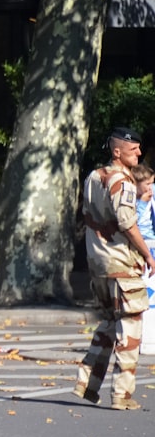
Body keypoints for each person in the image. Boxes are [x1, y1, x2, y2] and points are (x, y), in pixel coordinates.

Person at [73, 127, 155, 411]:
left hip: (98, 264)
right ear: (117, 151)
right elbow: (127, 223)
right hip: (122, 264)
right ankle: (122, 394)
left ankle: (86, 382)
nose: (140, 154)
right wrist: (148, 255)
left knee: (108, 324)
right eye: (134, 150)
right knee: (130, 331)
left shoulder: (93, 177)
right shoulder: (124, 181)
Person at [131, 162, 155, 256]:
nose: (150, 187)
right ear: (136, 184)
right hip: (139, 239)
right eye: (147, 184)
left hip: (151, 236)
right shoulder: (131, 198)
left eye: (152, 183)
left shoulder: (152, 191)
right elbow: (134, 221)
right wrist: (142, 203)